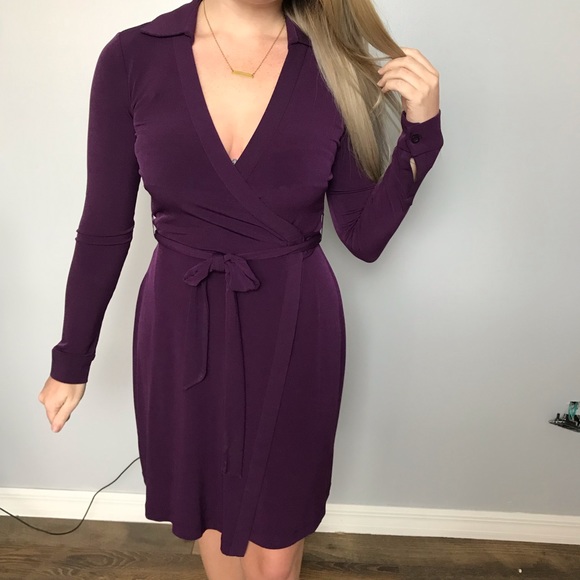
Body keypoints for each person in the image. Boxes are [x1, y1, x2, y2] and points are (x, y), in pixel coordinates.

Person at [38, 0, 443, 577]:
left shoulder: (334, 65)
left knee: (277, 539)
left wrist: (420, 135)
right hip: (181, 329)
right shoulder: (133, 57)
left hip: (294, 327)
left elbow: (363, 237)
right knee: (209, 510)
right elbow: (104, 226)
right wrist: (72, 357)